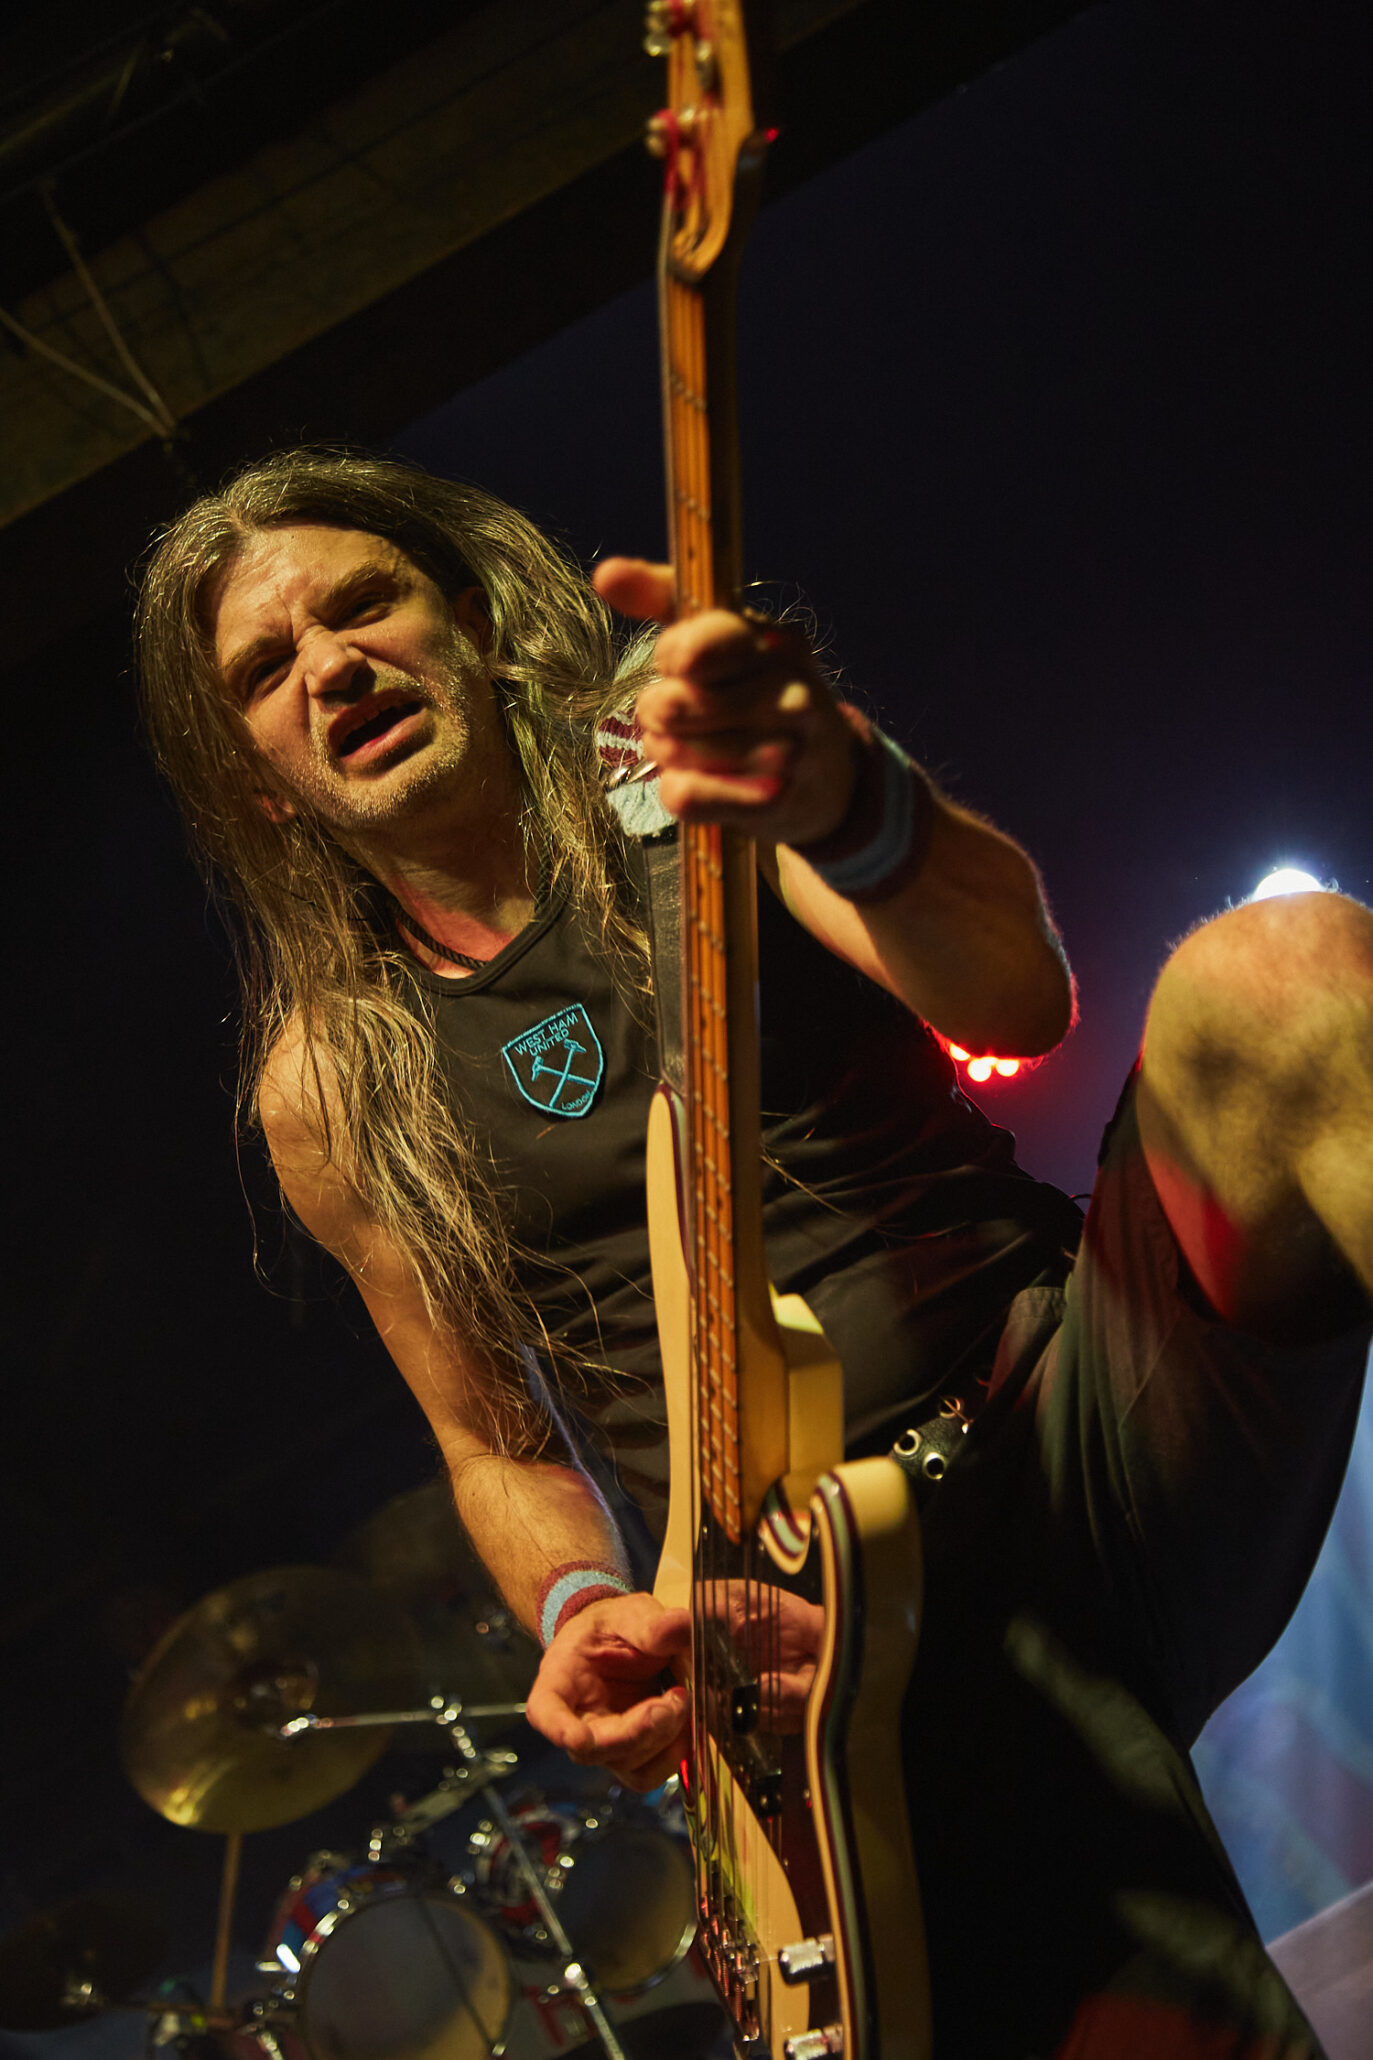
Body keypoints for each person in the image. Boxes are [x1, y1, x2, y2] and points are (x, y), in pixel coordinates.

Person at [138, 447, 1371, 2057]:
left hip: (1085, 1417)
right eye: (265, 669)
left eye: (364, 603)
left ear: (471, 621)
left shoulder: (690, 770)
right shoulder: (330, 1086)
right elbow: (491, 1443)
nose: (330, 664)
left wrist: (852, 801)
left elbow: (1017, 1000)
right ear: (254, 779)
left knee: (1282, 974)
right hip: (821, 1645)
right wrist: (580, 1602)